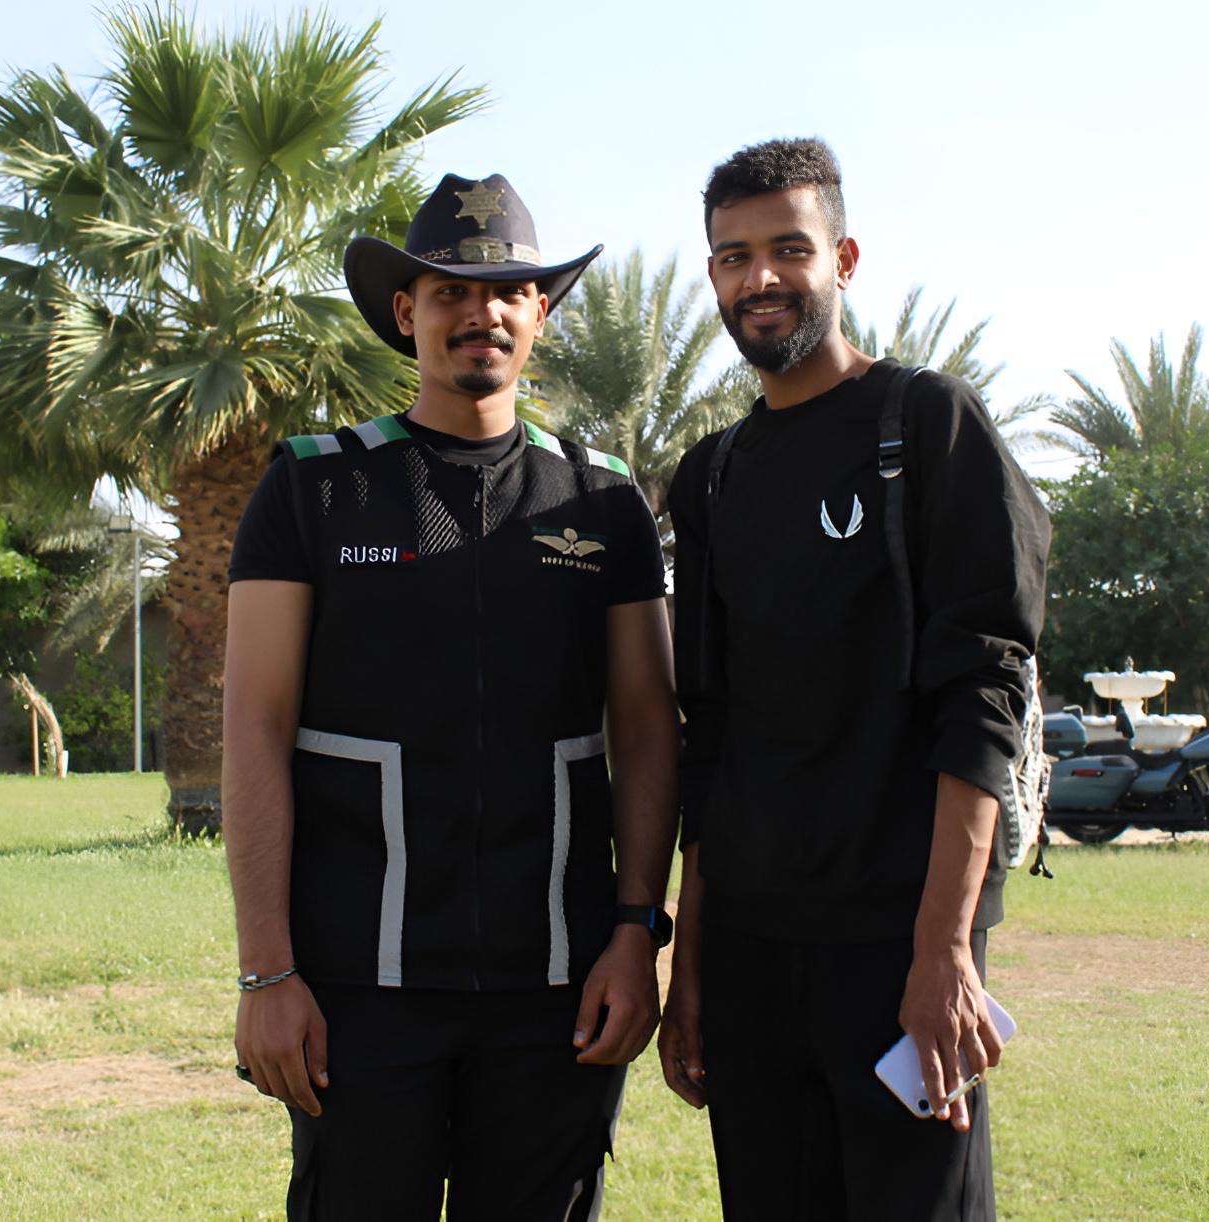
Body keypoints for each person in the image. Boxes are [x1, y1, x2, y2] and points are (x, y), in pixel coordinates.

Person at [223, 173, 682, 1221]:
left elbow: (648, 726)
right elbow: (252, 729)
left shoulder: (602, 499)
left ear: (541, 312)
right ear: (405, 312)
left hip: (558, 989)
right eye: (449, 292)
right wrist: (266, 973)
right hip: (357, 989)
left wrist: (634, 935)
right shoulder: (313, 487)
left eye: (509, 291)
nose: (482, 314)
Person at [657, 138, 1050, 1220]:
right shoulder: (712, 477)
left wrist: (944, 951)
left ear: (844, 258)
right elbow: (709, 739)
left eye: (789, 248)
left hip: (897, 946)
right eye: (733, 257)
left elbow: (983, 700)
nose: (760, 278)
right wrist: (693, 967)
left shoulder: (927, 426)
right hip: (751, 951)